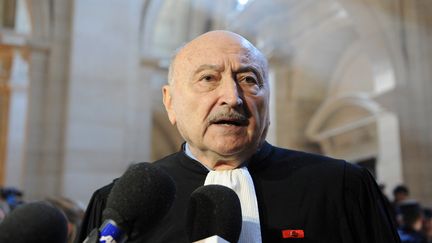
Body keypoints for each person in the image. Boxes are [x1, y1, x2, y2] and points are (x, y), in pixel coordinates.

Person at [76, 30, 400, 243]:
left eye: (248, 78)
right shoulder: (118, 205)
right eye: (208, 78)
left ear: (267, 99)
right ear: (170, 102)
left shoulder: (343, 188)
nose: (232, 97)